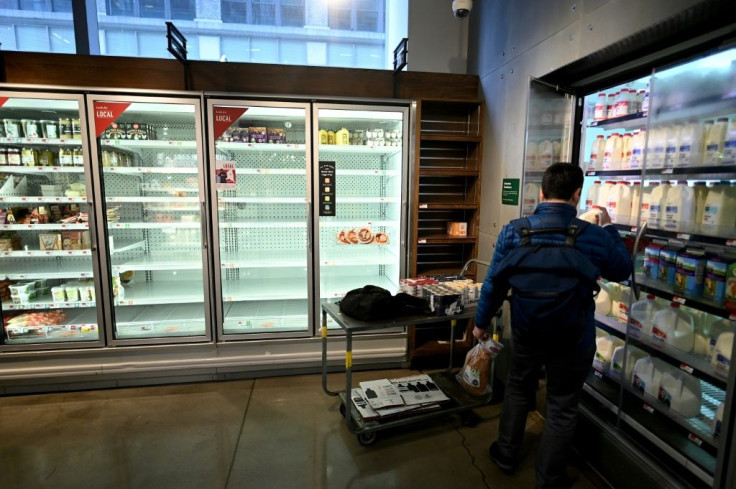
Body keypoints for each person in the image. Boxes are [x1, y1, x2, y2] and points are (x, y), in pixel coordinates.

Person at [473, 163, 632, 489]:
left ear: (542, 193)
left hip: (528, 328)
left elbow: (494, 283)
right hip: (573, 335)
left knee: (518, 387)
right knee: (561, 404)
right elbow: (622, 269)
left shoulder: (514, 231)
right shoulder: (593, 235)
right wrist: (610, 227)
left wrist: (480, 323)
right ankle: (549, 479)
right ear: (577, 195)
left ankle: (506, 453)